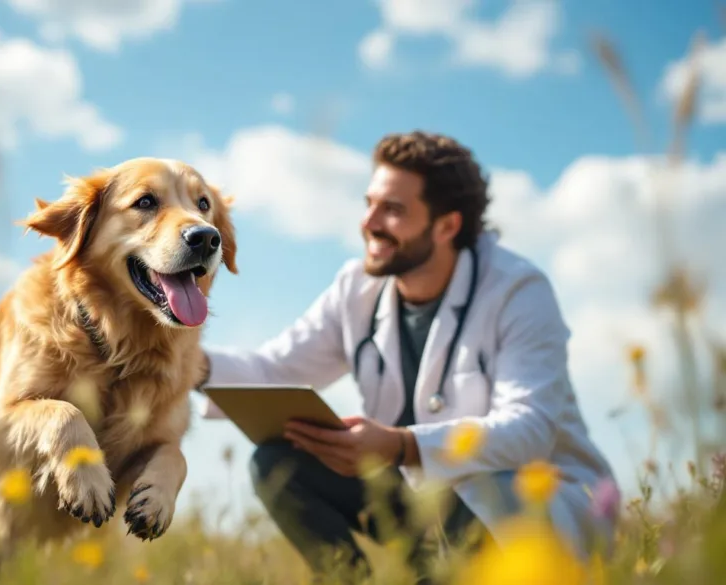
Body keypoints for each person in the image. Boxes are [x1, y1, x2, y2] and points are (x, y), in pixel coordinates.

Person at [193, 131, 617, 581]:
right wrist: (185, 363)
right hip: (427, 500)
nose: (369, 222)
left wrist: (402, 445)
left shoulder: (518, 290)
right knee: (277, 462)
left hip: (524, 510)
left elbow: (529, 429)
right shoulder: (355, 288)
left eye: (392, 210)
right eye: (369, 202)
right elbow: (276, 369)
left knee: (475, 490)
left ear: (447, 225)